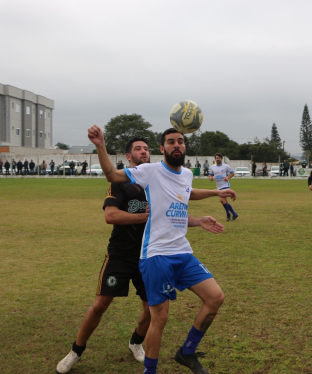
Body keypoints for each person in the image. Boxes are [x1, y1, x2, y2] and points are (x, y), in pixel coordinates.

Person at [88, 125, 235, 374]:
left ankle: (186, 352)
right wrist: (101, 145)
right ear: (162, 148)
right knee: (160, 318)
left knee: (215, 297)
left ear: (185, 146)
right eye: (170, 142)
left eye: (180, 141)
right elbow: (113, 175)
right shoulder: (150, 171)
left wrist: (213, 194)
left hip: (183, 253)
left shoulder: (187, 174)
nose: (176, 145)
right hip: (156, 255)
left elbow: (187, 192)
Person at [56, 137, 153, 373]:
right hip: (120, 254)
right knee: (100, 304)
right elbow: (111, 216)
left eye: (146, 149)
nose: (144, 152)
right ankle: (75, 351)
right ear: (129, 157)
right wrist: (145, 216)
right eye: (138, 149)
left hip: (148, 255)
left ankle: (136, 343)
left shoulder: (155, 181)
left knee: (152, 309)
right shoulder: (120, 181)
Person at [209, 153, 238, 222]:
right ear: (215, 159)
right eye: (216, 158)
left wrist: (228, 178)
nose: (218, 159)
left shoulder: (226, 166)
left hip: (225, 185)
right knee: (225, 201)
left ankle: (228, 214)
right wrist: (211, 178)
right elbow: (210, 174)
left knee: (221, 200)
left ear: (221, 158)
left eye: (219, 158)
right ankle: (234, 214)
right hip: (218, 186)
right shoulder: (212, 167)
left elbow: (232, 173)